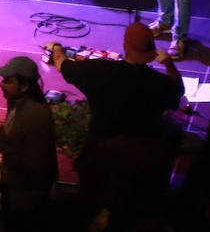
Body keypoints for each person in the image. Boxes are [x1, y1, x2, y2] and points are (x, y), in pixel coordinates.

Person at [46, 21, 184, 157]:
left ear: (125, 46)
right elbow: (178, 91)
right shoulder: (159, 82)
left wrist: (56, 46)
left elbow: (61, 64)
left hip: (101, 150)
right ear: (152, 49)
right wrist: (169, 64)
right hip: (142, 154)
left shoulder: (98, 70)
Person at [0, 55, 57, 232]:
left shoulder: (34, 115)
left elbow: (34, 164)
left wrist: (2, 143)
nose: (2, 84)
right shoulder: (17, 104)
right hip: (16, 190)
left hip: (26, 198)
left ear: (25, 85)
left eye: (8, 80)